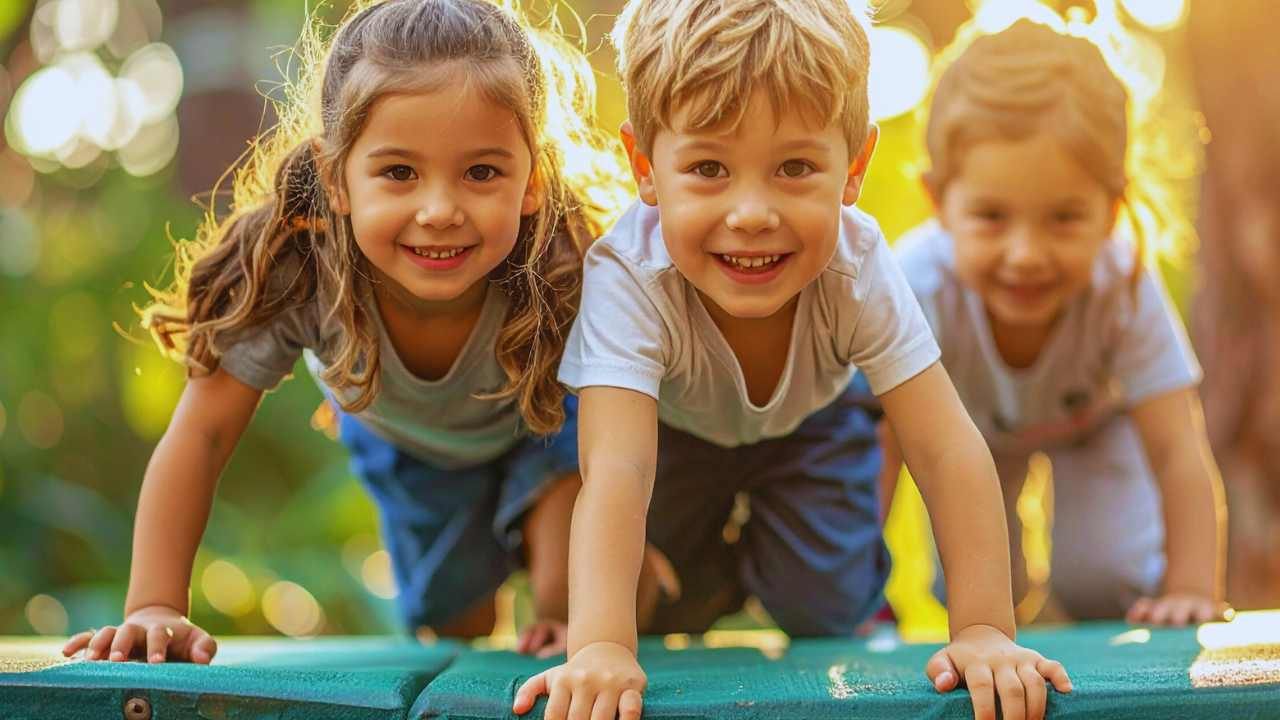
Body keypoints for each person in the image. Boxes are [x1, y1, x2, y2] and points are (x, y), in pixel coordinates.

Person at [514, 3, 1072, 720]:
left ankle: (825, 583)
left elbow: (944, 448)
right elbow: (618, 467)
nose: (752, 213)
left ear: (855, 166)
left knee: (825, 609)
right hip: (672, 439)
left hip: (814, 427)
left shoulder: (857, 266)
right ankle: (713, 578)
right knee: (660, 610)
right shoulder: (630, 276)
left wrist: (984, 631)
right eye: (709, 168)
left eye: (795, 167)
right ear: (645, 167)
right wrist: (600, 647)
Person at [62, 0, 650, 665]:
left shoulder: (565, 267)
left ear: (532, 180)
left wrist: (591, 616)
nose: (439, 210)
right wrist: (154, 605)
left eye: (481, 172)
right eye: (399, 173)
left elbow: (618, 442)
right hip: (411, 451)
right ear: (335, 176)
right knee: (457, 626)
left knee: (564, 599)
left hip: (545, 425)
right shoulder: (299, 271)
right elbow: (204, 433)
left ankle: (622, 583)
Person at [883, 18, 1229, 626]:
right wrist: (859, 592)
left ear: (1111, 209)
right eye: (991, 217)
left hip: (1093, 425)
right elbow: (882, 443)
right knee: (974, 586)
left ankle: (1078, 608)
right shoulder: (914, 284)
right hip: (969, 437)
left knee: (1107, 580)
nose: (1025, 255)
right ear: (939, 202)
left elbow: (1177, 447)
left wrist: (1192, 587)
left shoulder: (1123, 283)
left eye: (1064, 218)